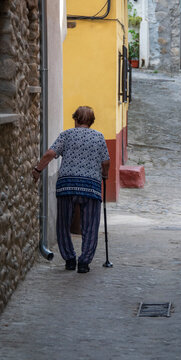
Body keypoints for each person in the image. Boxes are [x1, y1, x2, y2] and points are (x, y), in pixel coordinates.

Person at [32, 106, 110, 273]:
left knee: (63, 224)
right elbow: (105, 162)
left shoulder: (66, 135)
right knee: (90, 225)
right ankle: (84, 263)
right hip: (91, 188)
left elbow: (49, 154)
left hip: (66, 185)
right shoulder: (99, 137)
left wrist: (37, 170)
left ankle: (69, 259)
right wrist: (105, 174)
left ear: (75, 119)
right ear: (91, 121)